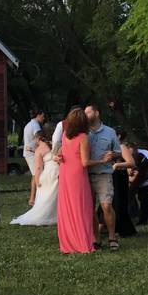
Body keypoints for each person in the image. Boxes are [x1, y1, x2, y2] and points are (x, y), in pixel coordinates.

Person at [85, 104, 127, 251]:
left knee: (106, 206)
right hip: (86, 175)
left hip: (104, 174)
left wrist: (113, 155)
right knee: (90, 209)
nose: (85, 115)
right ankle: (96, 238)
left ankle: (112, 237)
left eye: (88, 112)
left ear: (96, 113)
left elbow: (118, 152)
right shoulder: (83, 132)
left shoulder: (110, 132)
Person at [55, 108, 95, 253]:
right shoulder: (83, 137)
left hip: (65, 172)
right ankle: (82, 243)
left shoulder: (65, 134)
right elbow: (85, 162)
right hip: (77, 174)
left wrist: (57, 156)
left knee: (67, 207)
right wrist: (102, 160)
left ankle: (68, 243)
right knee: (81, 208)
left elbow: (61, 152)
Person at [11, 131, 58, 226]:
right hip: (57, 171)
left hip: (48, 172)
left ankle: (43, 215)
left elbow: (38, 167)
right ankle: (56, 214)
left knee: (45, 194)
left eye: (35, 138)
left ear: (38, 138)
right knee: (54, 193)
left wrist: (37, 180)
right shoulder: (53, 144)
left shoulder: (39, 150)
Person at [110, 128, 138, 238]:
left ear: (119, 136)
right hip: (112, 176)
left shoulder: (122, 147)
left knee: (119, 202)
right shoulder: (112, 148)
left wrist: (117, 165)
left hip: (120, 176)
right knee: (113, 202)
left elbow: (131, 163)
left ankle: (125, 229)